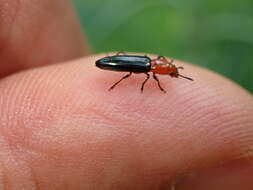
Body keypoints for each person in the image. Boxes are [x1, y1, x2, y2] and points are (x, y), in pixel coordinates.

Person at [0, 1, 253, 189]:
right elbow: (140, 72)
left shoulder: (148, 63)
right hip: (114, 63)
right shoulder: (147, 68)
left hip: (118, 60)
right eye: (170, 72)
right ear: (162, 69)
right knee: (127, 75)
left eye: (171, 73)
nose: (169, 73)